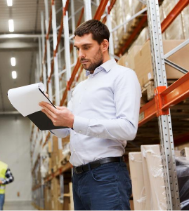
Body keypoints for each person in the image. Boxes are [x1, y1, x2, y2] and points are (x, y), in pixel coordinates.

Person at [39, 19, 141, 210]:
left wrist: (74, 121)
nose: (80, 55)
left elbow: (128, 128)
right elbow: (66, 131)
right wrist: (45, 114)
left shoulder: (122, 76)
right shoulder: (80, 88)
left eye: (86, 47)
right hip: (79, 178)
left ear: (104, 44)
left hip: (106, 176)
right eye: (77, 48)